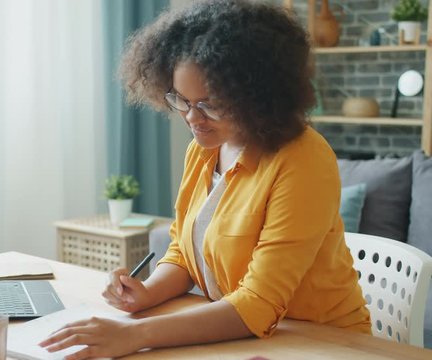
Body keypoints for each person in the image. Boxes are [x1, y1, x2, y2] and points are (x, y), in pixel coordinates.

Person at [40, 1, 371, 358]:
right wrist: (147, 293)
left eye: (211, 105)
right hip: (244, 338)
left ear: (257, 97)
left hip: (323, 343)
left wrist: (133, 334)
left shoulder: (303, 159)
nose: (192, 119)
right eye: (181, 101)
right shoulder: (204, 149)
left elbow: (258, 305)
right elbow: (183, 253)